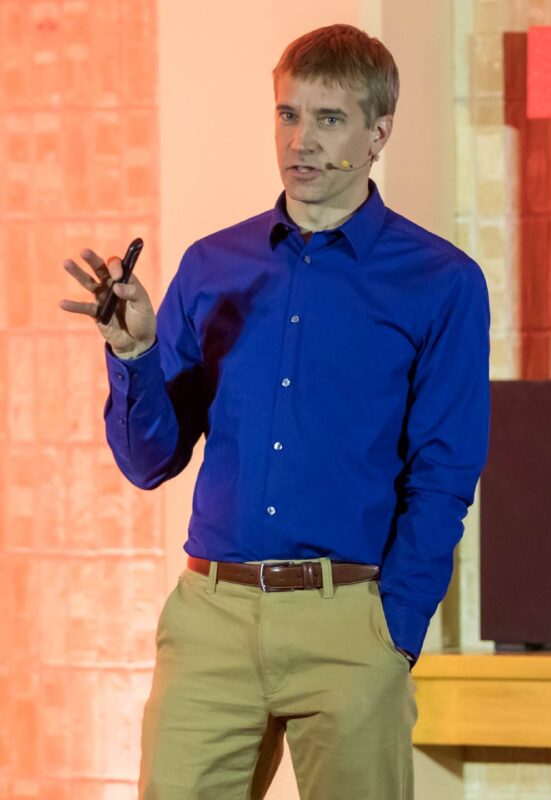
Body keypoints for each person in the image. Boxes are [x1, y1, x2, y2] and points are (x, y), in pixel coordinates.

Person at [58, 24, 489, 799]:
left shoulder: (440, 281)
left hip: (351, 620)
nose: (303, 141)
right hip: (211, 621)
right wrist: (134, 358)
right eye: (289, 116)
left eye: (329, 120)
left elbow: (446, 469)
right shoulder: (212, 266)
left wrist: (394, 628)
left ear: (378, 131)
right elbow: (149, 460)